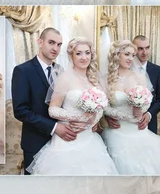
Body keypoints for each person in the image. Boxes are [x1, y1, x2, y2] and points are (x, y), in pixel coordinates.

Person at [26, 37, 118, 176]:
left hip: (90, 139)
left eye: (87, 53)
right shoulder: (64, 78)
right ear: (71, 56)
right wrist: (80, 118)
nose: (84, 57)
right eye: (79, 53)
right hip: (68, 136)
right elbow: (53, 109)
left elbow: (101, 107)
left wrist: (92, 121)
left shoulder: (94, 80)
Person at [11, 28, 94, 175]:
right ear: (40, 42)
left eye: (59, 44)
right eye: (51, 43)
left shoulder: (61, 70)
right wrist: (54, 127)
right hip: (36, 140)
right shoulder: (23, 70)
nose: (55, 48)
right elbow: (20, 111)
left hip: (65, 140)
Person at [100, 40, 160, 175]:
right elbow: (104, 106)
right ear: (117, 55)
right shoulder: (106, 79)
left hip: (138, 131)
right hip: (117, 132)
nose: (131, 58)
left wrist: (142, 110)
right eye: (127, 54)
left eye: (132, 55)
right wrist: (115, 116)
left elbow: (148, 102)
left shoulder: (139, 77)